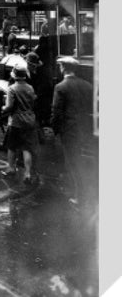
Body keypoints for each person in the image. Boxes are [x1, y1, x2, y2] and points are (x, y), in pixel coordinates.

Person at [51, 56, 93, 206]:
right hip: (85, 130)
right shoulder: (88, 85)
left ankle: (79, 197)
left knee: (73, 163)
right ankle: (87, 194)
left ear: (63, 68)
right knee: (83, 162)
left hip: (70, 132)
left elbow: (56, 112)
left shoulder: (60, 87)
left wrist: (55, 130)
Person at [0, 60, 39, 185]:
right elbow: (33, 102)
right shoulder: (30, 87)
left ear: (14, 75)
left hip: (16, 122)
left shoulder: (12, 89)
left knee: (11, 146)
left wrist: (3, 108)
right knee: (26, 148)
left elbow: (9, 106)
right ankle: (27, 173)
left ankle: (11, 168)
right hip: (29, 121)